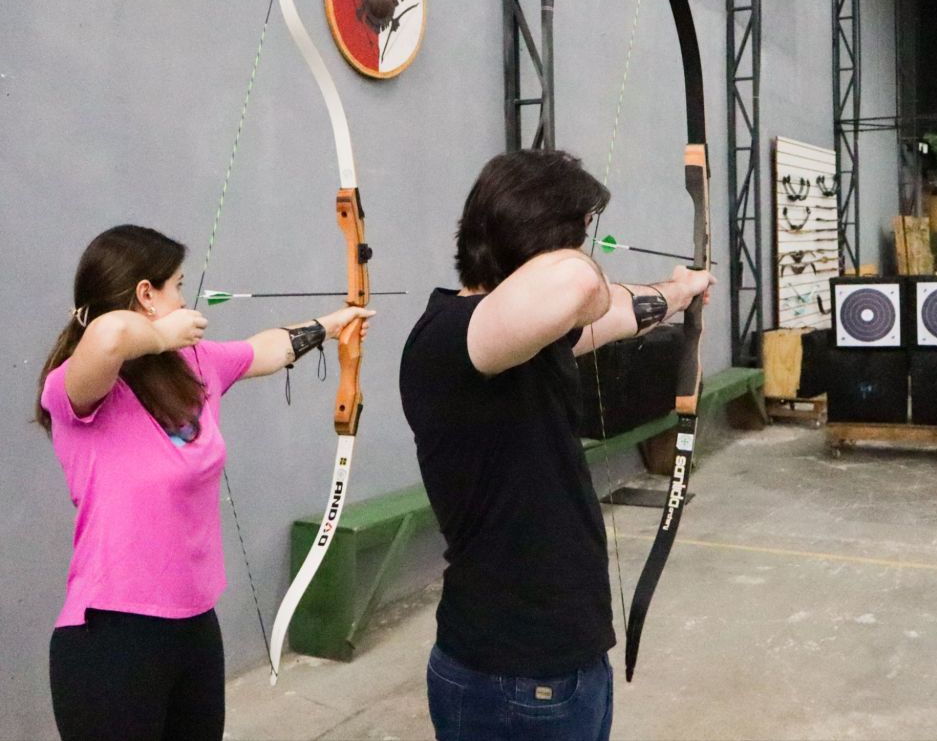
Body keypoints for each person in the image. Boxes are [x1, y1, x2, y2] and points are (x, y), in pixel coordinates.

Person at [399, 150, 714, 741]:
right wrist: (585, 266)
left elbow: (616, 313)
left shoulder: (521, 338)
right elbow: (578, 285)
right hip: (514, 674)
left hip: (559, 662)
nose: (587, 250)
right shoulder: (453, 338)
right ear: (542, 241)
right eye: (581, 234)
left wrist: (680, 291)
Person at [35, 224, 373, 741]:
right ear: (146, 295)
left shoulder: (193, 364)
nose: (185, 299)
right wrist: (159, 335)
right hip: (112, 635)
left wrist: (332, 325)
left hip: (194, 626)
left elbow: (265, 349)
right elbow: (107, 337)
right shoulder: (77, 387)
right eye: (176, 285)